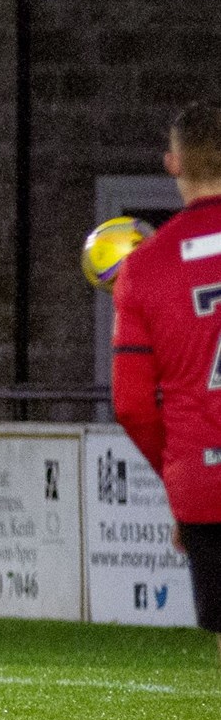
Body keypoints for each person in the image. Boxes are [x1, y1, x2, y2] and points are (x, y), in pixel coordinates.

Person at [112, 100, 221, 665]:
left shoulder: (145, 266)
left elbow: (131, 405)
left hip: (205, 482)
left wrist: (179, 476)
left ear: (172, 163)